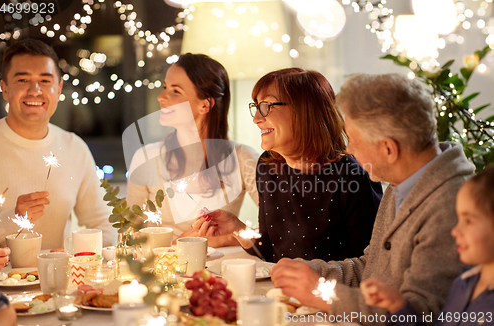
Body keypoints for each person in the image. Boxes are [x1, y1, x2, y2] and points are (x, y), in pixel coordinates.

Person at [268, 73, 475, 325]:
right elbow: (371, 269)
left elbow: (418, 314)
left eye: (353, 139)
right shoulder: (402, 182)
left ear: (388, 149)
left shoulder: (451, 205)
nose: (348, 149)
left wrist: (323, 295)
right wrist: (315, 272)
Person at [194, 68, 382, 262]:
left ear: (304, 111)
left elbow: (371, 264)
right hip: (281, 291)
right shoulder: (268, 166)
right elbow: (268, 249)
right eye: (256, 106)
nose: (257, 119)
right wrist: (237, 229)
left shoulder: (353, 176)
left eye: (266, 106)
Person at [126, 53, 259, 247]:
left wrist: (225, 237)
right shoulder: (146, 158)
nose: (161, 97)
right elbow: (130, 234)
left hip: (222, 273)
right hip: (164, 271)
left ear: (205, 104)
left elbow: (276, 231)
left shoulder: (242, 158)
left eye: (176, 91)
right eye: (165, 87)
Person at [0, 38, 114, 249]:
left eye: (45, 80)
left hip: (58, 280)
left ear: (58, 90)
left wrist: (73, 254)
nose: (35, 90)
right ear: (4, 89)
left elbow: (103, 223)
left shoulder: (74, 148)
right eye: (22, 80)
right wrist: (11, 217)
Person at [360, 165, 494, 326]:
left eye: (469, 221)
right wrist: (398, 306)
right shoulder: (462, 283)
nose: (455, 231)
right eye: (459, 219)